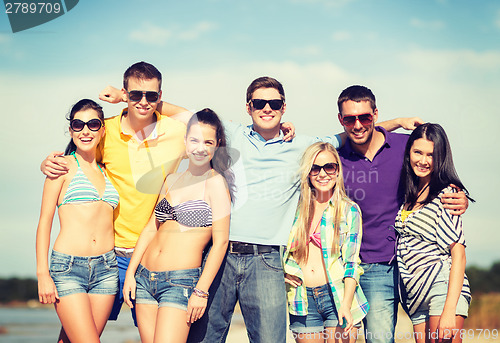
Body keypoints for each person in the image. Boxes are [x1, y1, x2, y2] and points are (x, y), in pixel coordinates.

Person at [40, 62, 189, 327]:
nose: (143, 102)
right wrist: (47, 164)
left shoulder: (176, 132)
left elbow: (206, 121)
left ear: (161, 96)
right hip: (107, 257)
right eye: (134, 94)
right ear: (125, 92)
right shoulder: (103, 131)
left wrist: (131, 98)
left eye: (151, 95)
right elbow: (77, 160)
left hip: (150, 256)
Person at [336, 85, 469, 343]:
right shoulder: (334, 159)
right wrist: (397, 121)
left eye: (365, 117)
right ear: (341, 120)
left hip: (402, 270)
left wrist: (460, 197)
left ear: (375, 114)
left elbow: (436, 171)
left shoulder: (404, 147)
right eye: (350, 118)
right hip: (358, 267)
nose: (358, 124)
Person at [121, 108, 232, 343]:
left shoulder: (215, 183)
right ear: (185, 141)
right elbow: (151, 228)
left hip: (180, 282)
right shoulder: (172, 179)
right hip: (144, 278)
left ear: (217, 145)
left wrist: (201, 291)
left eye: (208, 142)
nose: (200, 148)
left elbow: (221, 242)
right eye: (194, 140)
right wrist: (131, 273)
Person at [36, 99, 120, 343]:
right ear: (71, 130)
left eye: (93, 124)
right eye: (78, 124)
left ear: (103, 130)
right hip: (68, 269)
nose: (86, 130)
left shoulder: (108, 170)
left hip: (107, 269)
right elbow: (44, 223)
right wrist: (43, 274)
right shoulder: (60, 167)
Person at [283, 142, 369, 343]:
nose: (322, 174)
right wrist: (283, 271)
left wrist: (346, 304)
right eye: (315, 168)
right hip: (301, 298)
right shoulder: (293, 209)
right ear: (308, 172)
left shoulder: (349, 210)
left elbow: (352, 263)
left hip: (338, 297)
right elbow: (280, 248)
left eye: (329, 167)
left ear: (337, 170)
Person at [395, 123, 472, 343]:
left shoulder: (447, 194)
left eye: (431, 154)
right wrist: (399, 121)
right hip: (416, 295)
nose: (423, 160)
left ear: (440, 157)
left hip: (442, 288)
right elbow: (363, 140)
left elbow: (458, 254)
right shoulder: (409, 194)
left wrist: (449, 309)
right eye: (418, 152)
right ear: (408, 151)